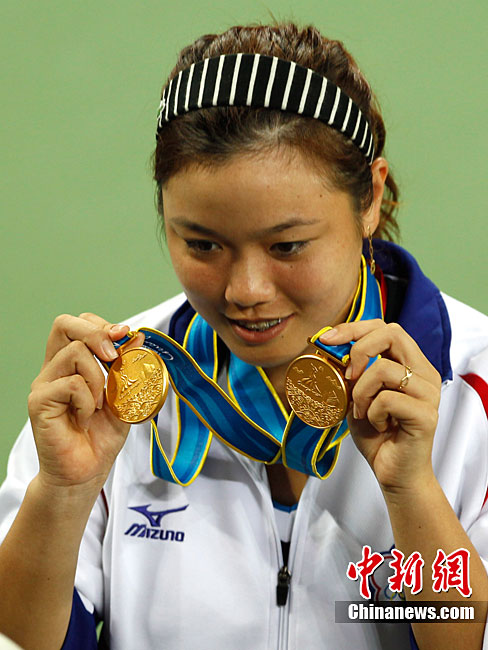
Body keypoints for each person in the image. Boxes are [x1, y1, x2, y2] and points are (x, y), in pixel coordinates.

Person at [0, 22, 487, 650]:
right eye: (203, 244)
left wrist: (412, 493)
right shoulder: (106, 396)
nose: (245, 291)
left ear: (368, 197)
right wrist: (62, 492)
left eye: (287, 246)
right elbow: (18, 639)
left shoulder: (472, 390)